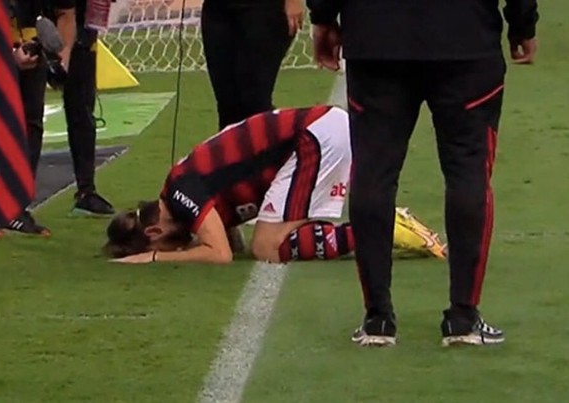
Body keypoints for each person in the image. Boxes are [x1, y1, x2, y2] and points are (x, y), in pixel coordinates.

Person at [308, 0, 539, 347]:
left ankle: (377, 319)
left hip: (377, 39)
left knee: (373, 171)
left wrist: (324, 15)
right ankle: (463, 317)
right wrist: (523, 24)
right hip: (465, 38)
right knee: (468, 170)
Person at [103, 105, 447, 264]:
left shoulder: (180, 192)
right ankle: (378, 227)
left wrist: (152, 261)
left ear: (152, 234)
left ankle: (384, 228)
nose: (175, 250)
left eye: (161, 248)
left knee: (267, 248)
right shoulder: (180, 192)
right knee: (279, 240)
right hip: (316, 134)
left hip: (313, 137)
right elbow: (229, 243)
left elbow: (219, 255)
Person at [0, 0, 76, 238]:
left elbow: (66, 12)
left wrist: (59, 58)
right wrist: (9, 55)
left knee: (31, 126)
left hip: (28, 43)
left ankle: (16, 207)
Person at [201, 0, 303, 130]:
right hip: (216, 10)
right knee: (227, 102)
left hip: (264, 9)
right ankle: (234, 149)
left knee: (254, 100)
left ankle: (270, 148)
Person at [60, 0, 115, 216]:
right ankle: (9, 202)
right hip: (42, 17)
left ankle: (86, 190)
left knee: (82, 108)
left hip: (83, 26)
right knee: (26, 114)